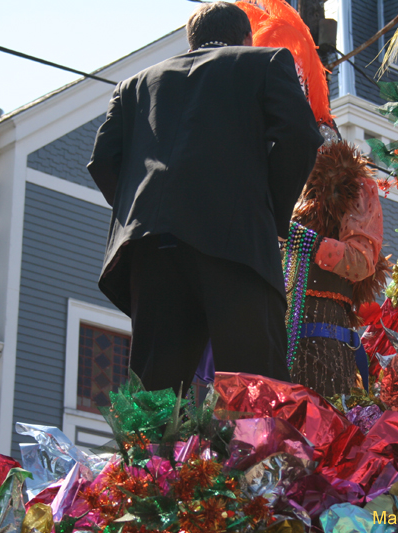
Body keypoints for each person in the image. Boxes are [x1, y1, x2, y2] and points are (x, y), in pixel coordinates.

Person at [87, 1, 323, 394]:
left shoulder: (133, 86)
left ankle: (151, 439)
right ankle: (255, 439)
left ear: (191, 39)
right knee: (254, 383)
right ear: (246, 38)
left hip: (150, 249)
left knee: (155, 392)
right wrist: (270, 212)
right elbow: (299, 136)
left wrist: (145, 213)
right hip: (235, 241)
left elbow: (102, 161)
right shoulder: (264, 62)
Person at [283, 138, 388, 397]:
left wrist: (305, 240)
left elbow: (361, 261)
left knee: (319, 415)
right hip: (279, 335)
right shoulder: (291, 186)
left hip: (323, 341)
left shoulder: (352, 184)